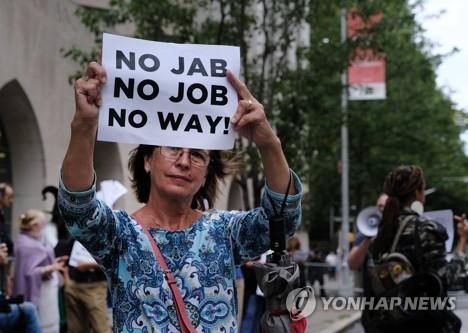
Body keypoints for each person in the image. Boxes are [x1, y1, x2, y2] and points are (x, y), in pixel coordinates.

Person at [58, 61, 303, 332]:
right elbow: (78, 207)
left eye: (197, 155)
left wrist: (268, 142)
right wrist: (83, 125)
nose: (184, 162)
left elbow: (283, 218)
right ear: (147, 160)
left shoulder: (224, 232)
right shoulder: (119, 235)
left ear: (206, 174)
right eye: (173, 149)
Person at [366, 165, 468, 332]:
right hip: (422, 324)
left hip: (390, 323)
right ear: (417, 193)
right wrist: (463, 240)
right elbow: (447, 279)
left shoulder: (382, 231)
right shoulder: (425, 228)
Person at [12, 209, 67, 333]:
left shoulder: (28, 241)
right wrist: (52, 267)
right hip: (41, 292)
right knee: (41, 325)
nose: (43, 228)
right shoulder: (26, 244)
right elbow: (29, 272)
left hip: (47, 291)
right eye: (42, 225)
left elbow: (36, 263)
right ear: (35, 225)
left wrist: (54, 262)